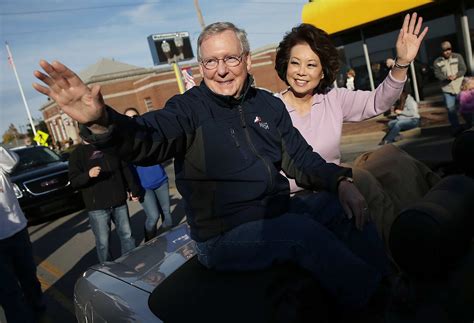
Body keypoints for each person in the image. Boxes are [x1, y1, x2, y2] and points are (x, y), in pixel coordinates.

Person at [33, 22, 391, 312]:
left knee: (340, 206)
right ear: (200, 66)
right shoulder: (187, 109)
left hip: (276, 216)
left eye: (230, 59)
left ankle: (387, 283)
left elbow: (301, 160)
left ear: (247, 60)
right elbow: (147, 137)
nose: (221, 71)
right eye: (210, 62)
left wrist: (341, 182)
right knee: (302, 233)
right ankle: (376, 305)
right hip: (223, 237)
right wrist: (102, 123)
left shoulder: (269, 106)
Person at [274, 14, 438, 247]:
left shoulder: (332, 97)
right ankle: (399, 252)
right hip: (301, 196)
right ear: (285, 64)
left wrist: (402, 63)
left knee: (395, 159)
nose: (301, 71)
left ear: (322, 72)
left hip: (336, 180)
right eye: (295, 62)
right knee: (361, 180)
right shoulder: (270, 107)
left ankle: (435, 216)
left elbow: (377, 102)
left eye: (311, 64)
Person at [68, 140, 141, 263]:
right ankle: (107, 271)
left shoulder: (109, 146)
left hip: (119, 201)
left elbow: (124, 169)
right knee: (103, 243)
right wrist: (88, 175)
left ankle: (131, 263)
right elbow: (74, 181)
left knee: (127, 236)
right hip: (97, 207)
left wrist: (133, 189)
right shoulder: (77, 154)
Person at [0, 145, 45, 322]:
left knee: (29, 278)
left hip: (17, 231)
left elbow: (12, 162)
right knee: (8, 290)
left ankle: (38, 311)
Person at [124, 107, 173, 241]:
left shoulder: (149, 135)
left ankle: (167, 245)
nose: (132, 120)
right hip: (144, 186)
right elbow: (125, 170)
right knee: (153, 217)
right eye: (128, 118)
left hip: (161, 180)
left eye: (135, 117)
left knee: (167, 218)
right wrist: (130, 189)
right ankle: (149, 243)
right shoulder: (126, 144)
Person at [433, 41, 467, 133]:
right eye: (445, 50)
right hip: (447, 89)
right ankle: (456, 129)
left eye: (449, 49)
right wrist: (446, 78)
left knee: (464, 107)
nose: (447, 52)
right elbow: (437, 74)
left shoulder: (458, 56)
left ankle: (470, 124)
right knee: (451, 110)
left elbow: (463, 69)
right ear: (441, 51)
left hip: (460, 87)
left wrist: (456, 75)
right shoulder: (437, 61)